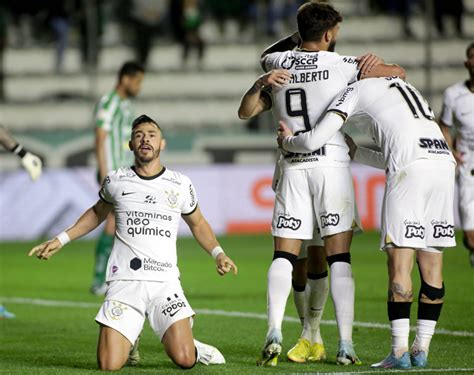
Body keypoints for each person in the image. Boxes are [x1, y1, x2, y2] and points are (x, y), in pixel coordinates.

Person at [238, 2, 405, 366]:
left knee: (285, 255)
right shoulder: (344, 65)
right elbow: (398, 73)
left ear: (300, 30)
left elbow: (262, 66)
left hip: (293, 166)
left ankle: (274, 330)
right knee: (338, 258)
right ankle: (345, 343)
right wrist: (378, 63)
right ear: (329, 33)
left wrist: (269, 72)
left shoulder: (277, 65)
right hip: (330, 165)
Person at [28, 114, 238, 371]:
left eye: (151, 134)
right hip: (125, 281)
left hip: (164, 282)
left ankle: (196, 347)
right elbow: (97, 213)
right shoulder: (116, 180)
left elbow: (198, 223)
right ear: (130, 145)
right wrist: (62, 239)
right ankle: (132, 331)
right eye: (138, 135)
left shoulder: (181, 184)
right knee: (108, 364)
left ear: (162, 144)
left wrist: (218, 253)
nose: (145, 139)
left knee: (185, 358)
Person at [278, 76, 456, 369]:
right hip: (442, 162)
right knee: (433, 264)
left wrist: (287, 141)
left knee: (400, 264)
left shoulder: (355, 88)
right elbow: (400, 152)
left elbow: (313, 139)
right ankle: (421, 348)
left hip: (410, 172)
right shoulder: (406, 88)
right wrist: (356, 151)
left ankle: (398, 353)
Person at [92, 61, 145, 296]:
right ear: (125, 79)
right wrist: (104, 172)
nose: (139, 86)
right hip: (112, 171)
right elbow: (100, 137)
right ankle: (100, 278)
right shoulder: (109, 102)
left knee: (118, 222)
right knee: (113, 221)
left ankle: (111, 275)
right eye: (137, 81)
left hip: (126, 171)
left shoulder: (126, 105)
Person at [438, 42, 474, 267]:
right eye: (473, 56)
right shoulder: (453, 94)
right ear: (466, 63)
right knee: (471, 235)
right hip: (468, 167)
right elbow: (444, 126)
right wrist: (450, 150)